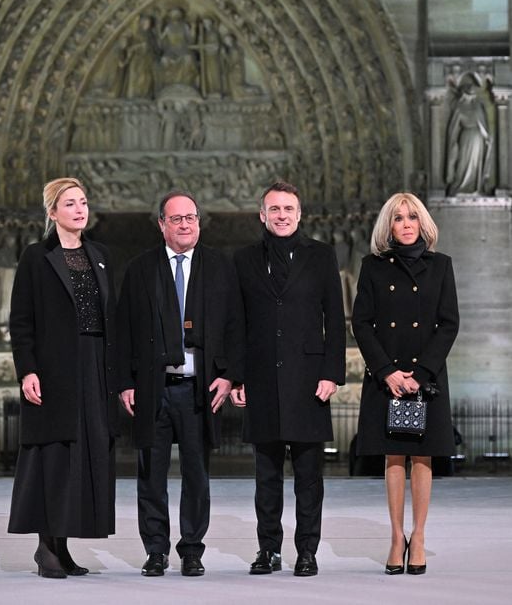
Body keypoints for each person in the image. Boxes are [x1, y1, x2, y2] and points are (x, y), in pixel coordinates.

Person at [117, 190, 244, 577]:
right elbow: (123, 330)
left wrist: (229, 375)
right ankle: (156, 550)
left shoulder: (220, 267)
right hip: (153, 387)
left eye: (191, 217)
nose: (186, 224)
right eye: (177, 219)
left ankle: (192, 550)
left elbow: (237, 327)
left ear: (199, 223)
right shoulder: (140, 269)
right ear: (161, 224)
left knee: (196, 475)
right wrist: (125, 382)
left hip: (199, 389)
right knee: (151, 475)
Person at [232, 181, 346, 577]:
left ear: (300, 214)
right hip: (261, 380)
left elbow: (335, 316)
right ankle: (269, 551)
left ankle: (307, 552)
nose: (282, 215)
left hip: (309, 381)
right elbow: (237, 323)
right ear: (262, 215)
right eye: (274, 209)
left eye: (289, 209)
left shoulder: (321, 256)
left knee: (308, 478)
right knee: (266, 478)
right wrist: (236, 377)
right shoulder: (244, 259)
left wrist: (332, 373)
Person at [8, 177, 119, 579]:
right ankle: (45, 548)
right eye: (69, 203)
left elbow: (112, 317)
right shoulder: (36, 257)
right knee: (54, 457)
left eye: (83, 202)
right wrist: (28, 370)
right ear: (52, 212)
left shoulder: (100, 255)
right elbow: (21, 321)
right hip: (54, 370)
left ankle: (64, 546)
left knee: (83, 456)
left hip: (94, 365)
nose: (79, 209)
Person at [352, 192, 459, 575]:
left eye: (413, 216)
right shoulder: (372, 266)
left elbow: (449, 324)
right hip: (388, 376)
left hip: (425, 377)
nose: (407, 223)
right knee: (393, 457)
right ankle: (397, 538)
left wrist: (422, 372)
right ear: (389, 225)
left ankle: (421, 536)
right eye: (398, 218)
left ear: (423, 222)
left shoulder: (441, 266)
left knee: (423, 457)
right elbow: (361, 323)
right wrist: (386, 371)